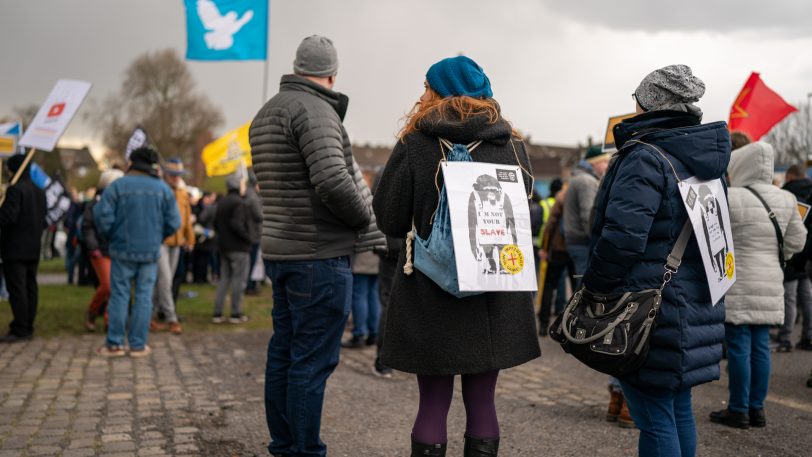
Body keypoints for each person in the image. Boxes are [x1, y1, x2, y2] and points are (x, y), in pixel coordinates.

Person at [373, 55, 541, 457]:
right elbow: (526, 209)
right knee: (483, 400)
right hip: (496, 286)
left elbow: (390, 219)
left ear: (438, 91)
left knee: (432, 402)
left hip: (430, 291)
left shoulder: (415, 143)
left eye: (426, 85)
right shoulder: (513, 146)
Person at [582, 64, 730, 457]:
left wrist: (594, 287)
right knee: (677, 409)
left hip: (649, 305)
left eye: (637, 98)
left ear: (651, 104)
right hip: (695, 300)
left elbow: (622, 238)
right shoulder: (708, 163)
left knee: (654, 416)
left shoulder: (645, 156)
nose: (632, 106)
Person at [249, 35, 384, 457]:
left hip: (283, 251)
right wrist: (364, 220)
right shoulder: (317, 110)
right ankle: (304, 451)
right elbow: (332, 179)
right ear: (331, 73)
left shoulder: (266, 112)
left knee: (285, 354)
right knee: (310, 362)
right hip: (319, 255)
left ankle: (285, 445)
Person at [709, 141, 806, 429]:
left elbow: (714, 235)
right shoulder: (787, 198)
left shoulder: (731, 196)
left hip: (737, 279)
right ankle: (757, 409)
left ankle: (738, 409)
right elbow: (797, 241)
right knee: (761, 345)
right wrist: (779, 256)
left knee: (738, 345)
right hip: (771, 279)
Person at [93, 147, 180, 357]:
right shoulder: (162, 189)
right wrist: (157, 237)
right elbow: (174, 222)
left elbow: (101, 216)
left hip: (122, 250)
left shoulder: (118, 186)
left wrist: (111, 236)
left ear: (132, 163)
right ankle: (138, 345)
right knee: (144, 297)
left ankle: (115, 344)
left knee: (120, 296)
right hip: (150, 251)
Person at [0, 154, 47, 343]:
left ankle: (20, 327)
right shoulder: (38, 190)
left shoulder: (15, 190)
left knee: (18, 289)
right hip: (33, 247)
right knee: (30, 287)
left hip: (15, 248)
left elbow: (8, 217)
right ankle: (27, 324)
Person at [151, 158, 194, 335]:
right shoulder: (159, 191)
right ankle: (171, 318)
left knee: (162, 283)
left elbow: (187, 219)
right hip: (161, 242)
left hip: (177, 243)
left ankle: (149, 317)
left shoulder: (183, 193)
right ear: (166, 175)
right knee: (166, 281)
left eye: (178, 175)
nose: (176, 178)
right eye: (173, 175)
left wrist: (189, 239)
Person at [82, 169, 124, 332]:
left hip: (117, 249)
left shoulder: (121, 201)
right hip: (100, 250)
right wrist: (93, 247)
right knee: (107, 285)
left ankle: (109, 320)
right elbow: (88, 226)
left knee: (116, 287)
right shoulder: (96, 203)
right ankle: (92, 312)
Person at [564, 145, 609, 287]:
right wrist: (597, 240)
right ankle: (581, 310)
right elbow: (588, 216)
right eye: (605, 161)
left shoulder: (580, 179)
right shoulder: (586, 182)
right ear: (595, 162)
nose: (608, 165)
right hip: (583, 242)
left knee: (581, 281)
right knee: (585, 285)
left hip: (577, 241)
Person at [780, 164, 812, 351]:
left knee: (789, 298)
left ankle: (785, 338)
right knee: (807, 298)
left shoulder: (788, 196)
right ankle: (808, 336)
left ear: (790, 178)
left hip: (793, 256)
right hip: (808, 255)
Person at [212, 175, 252, 323]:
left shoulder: (221, 202)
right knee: (238, 281)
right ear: (237, 186)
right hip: (239, 248)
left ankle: (217, 313)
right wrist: (248, 238)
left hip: (224, 247)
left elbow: (215, 223)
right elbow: (237, 224)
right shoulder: (239, 202)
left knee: (224, 280)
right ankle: (235, 313)